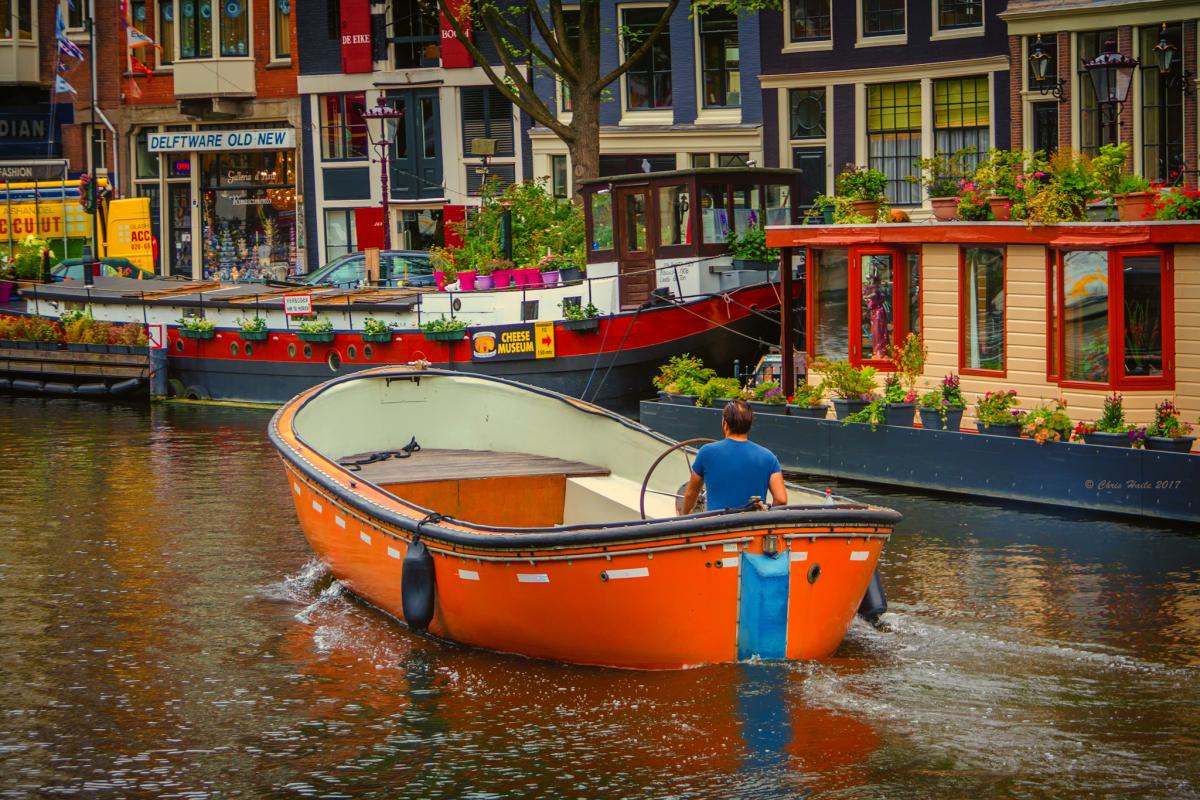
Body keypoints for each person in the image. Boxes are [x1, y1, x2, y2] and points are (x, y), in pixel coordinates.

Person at [681, 400, 788, 513]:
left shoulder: (706, 452)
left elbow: (691, 494)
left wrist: (684, 516)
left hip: (717, 526)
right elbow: (781, 499)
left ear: (725, 424)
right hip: (754, 527)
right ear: (749, 425)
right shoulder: (769, 457)